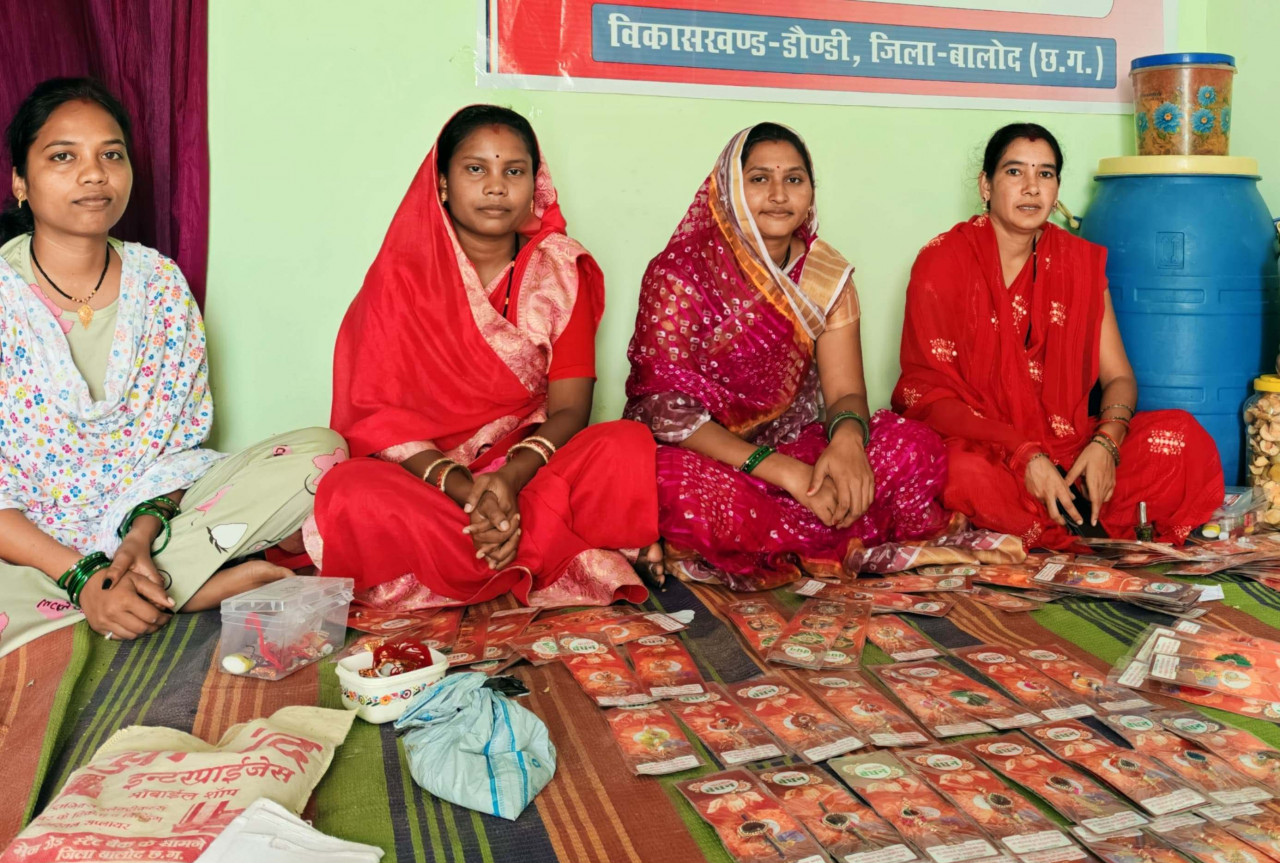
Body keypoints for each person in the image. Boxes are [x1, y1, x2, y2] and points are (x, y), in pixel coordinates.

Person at [0, 78, 345, 656]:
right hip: (25, 542)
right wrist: (80, 573)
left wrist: (139, 536)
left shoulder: (159, 283)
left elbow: (175, 450)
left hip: (148, 524)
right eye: (63, 157)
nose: (94, 174)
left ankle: (139, 583)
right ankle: (164, 588)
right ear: (20, 182)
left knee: (323, 453)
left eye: (111, 155)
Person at [312, 105, 661, 609]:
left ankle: (463, 560)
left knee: (626, 442)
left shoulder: (560, 272)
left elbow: (571, 408)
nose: (496, 187)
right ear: (443, 184)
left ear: (535, 185)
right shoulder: (400, 277)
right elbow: (376, 417)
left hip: (527, 467)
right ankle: (538, 549)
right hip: (429, 479)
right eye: (476, 169)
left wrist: (508, 481)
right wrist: (465, 488)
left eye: (513, 171)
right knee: (350, 488)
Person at [624, 123, 948, 591]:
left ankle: (761, 535)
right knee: (662, 481)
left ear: (811, 191)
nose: (778, 195)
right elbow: (665, 412)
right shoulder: (679, 272)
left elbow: (846, 392)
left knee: (915, 446)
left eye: (794, 179)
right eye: (759, 179)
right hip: (707, 456)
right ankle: (817, 529)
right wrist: (786, 474)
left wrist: (847, 442)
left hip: (794, 444)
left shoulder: (824, 274)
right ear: (730, 189)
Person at [892, 123, 1222, 549]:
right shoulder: (942, 262)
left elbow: (1119, 378)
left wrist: (1107, 443)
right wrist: (1022, 453)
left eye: (1045, 174)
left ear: (1056, 188)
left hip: (1068, 447)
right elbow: (926, 394)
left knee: (1183, 437)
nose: (1031, 187)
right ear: (986, 185)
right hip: (985, 448)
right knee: (957, 473)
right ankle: (1064, 527)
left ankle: (1041, 525)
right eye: (1015, 172)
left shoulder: (1076, 264)